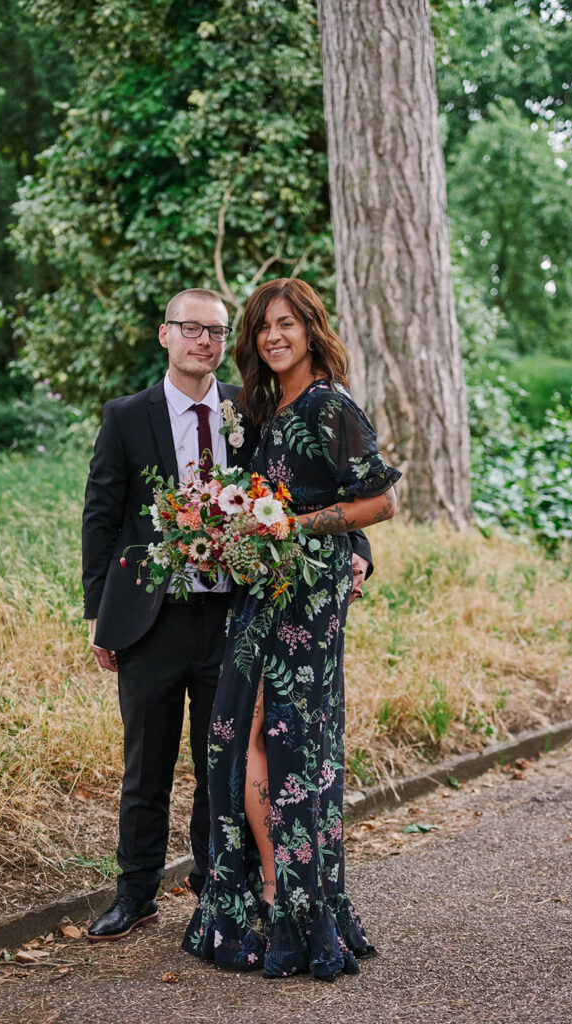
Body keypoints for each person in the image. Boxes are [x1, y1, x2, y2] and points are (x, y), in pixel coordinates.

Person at [81, 288, 375, 942]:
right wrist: (97, 613)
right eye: (190, 328)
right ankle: (135, 894)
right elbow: (100, 515)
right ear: (165, 335)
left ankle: (219, 890)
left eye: (214, 331)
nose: (202, 341)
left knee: (225, 766)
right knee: (145, 764)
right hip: (151, 619)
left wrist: (355, 547)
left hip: (237, 617)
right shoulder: (127, 417)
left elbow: (311, 489)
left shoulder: (254, 408)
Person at [182, 278, 400, 980]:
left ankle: (293, 896)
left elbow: (379, 501)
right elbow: (248, 498)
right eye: (263, 327)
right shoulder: (260, 408)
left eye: (287, 324)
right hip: (261, 589)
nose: (274, 336)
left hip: (307, 596)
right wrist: (218, 528)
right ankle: (276, 886)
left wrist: (294, 527)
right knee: (237, 736)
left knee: (289, 739)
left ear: (310, 329)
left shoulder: (330, 406)